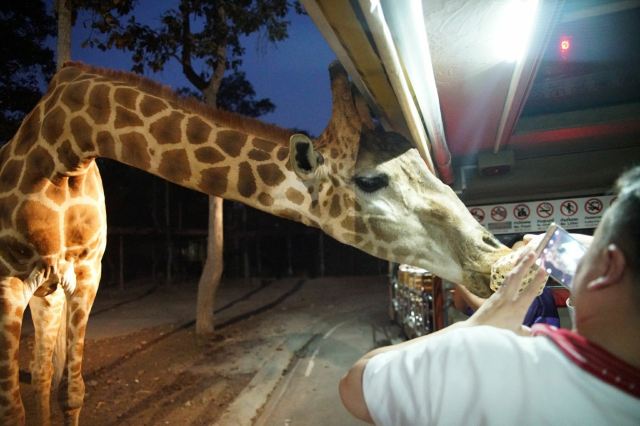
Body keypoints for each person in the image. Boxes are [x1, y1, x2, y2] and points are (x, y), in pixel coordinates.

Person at [339, 166, 640, 425]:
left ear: (609, 267)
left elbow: (355, 383)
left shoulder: (482, 355)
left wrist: (475, 326)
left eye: (592, 250)